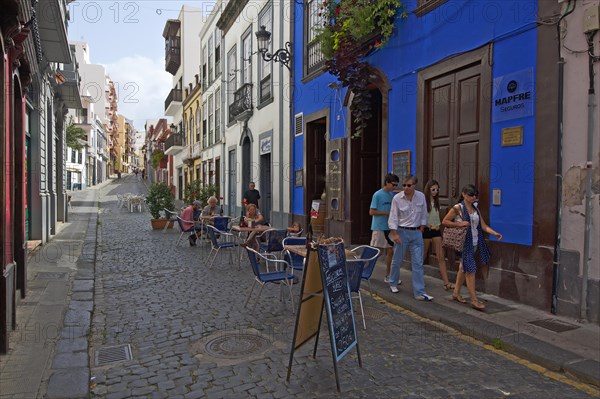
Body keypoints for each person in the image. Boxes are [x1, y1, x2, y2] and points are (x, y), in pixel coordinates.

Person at [442, 184, 502, 311]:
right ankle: (474, 300)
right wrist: (459, 224)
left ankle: (456, 293)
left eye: (475, 195)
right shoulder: (458, 208)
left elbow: (483, 225)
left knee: (463, 267)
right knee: (471, 270)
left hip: (475, 242)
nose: (473, 197)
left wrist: (494, 233)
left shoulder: (476, 209)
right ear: (464, 194)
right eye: (471, 195)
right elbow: (445, 221)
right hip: (464, 243)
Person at [387, 174, 433, 301]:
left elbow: (424, 212)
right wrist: (395, 233)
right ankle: (393, 282)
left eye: (409, 185)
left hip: (416, 232)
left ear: (414, 185)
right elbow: (393, 217)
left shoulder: (421, 196)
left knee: (418, 263)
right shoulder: (397, 198)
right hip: (402, 232)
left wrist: (422, 227)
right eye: (404, 185)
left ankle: (419, 292)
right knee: (397, 260)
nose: (406, 188)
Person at [423, 179, 453, 291]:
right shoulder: (424, 202)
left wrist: (436, 226)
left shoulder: (436, 202)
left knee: (441, 256)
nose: (435, 191)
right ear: (428, 190)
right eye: (433, 189)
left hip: (436, 230)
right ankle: (418, 279)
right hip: (426, 230)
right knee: (423, 255)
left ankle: (446, 283)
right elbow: (419, 217)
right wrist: (428, 225)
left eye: (437, 189)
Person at [369, 173, 399, 283]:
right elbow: (372, 211)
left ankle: (389, 275)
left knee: (391, 251)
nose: (395, 187)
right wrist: (387, 212)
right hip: (379, 227)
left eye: (396, 185)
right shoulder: (377, 195)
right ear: (387, 182)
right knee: (377, 252)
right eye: (393, 184)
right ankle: (363, 268)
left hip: (390, 227)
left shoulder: (392, 196)